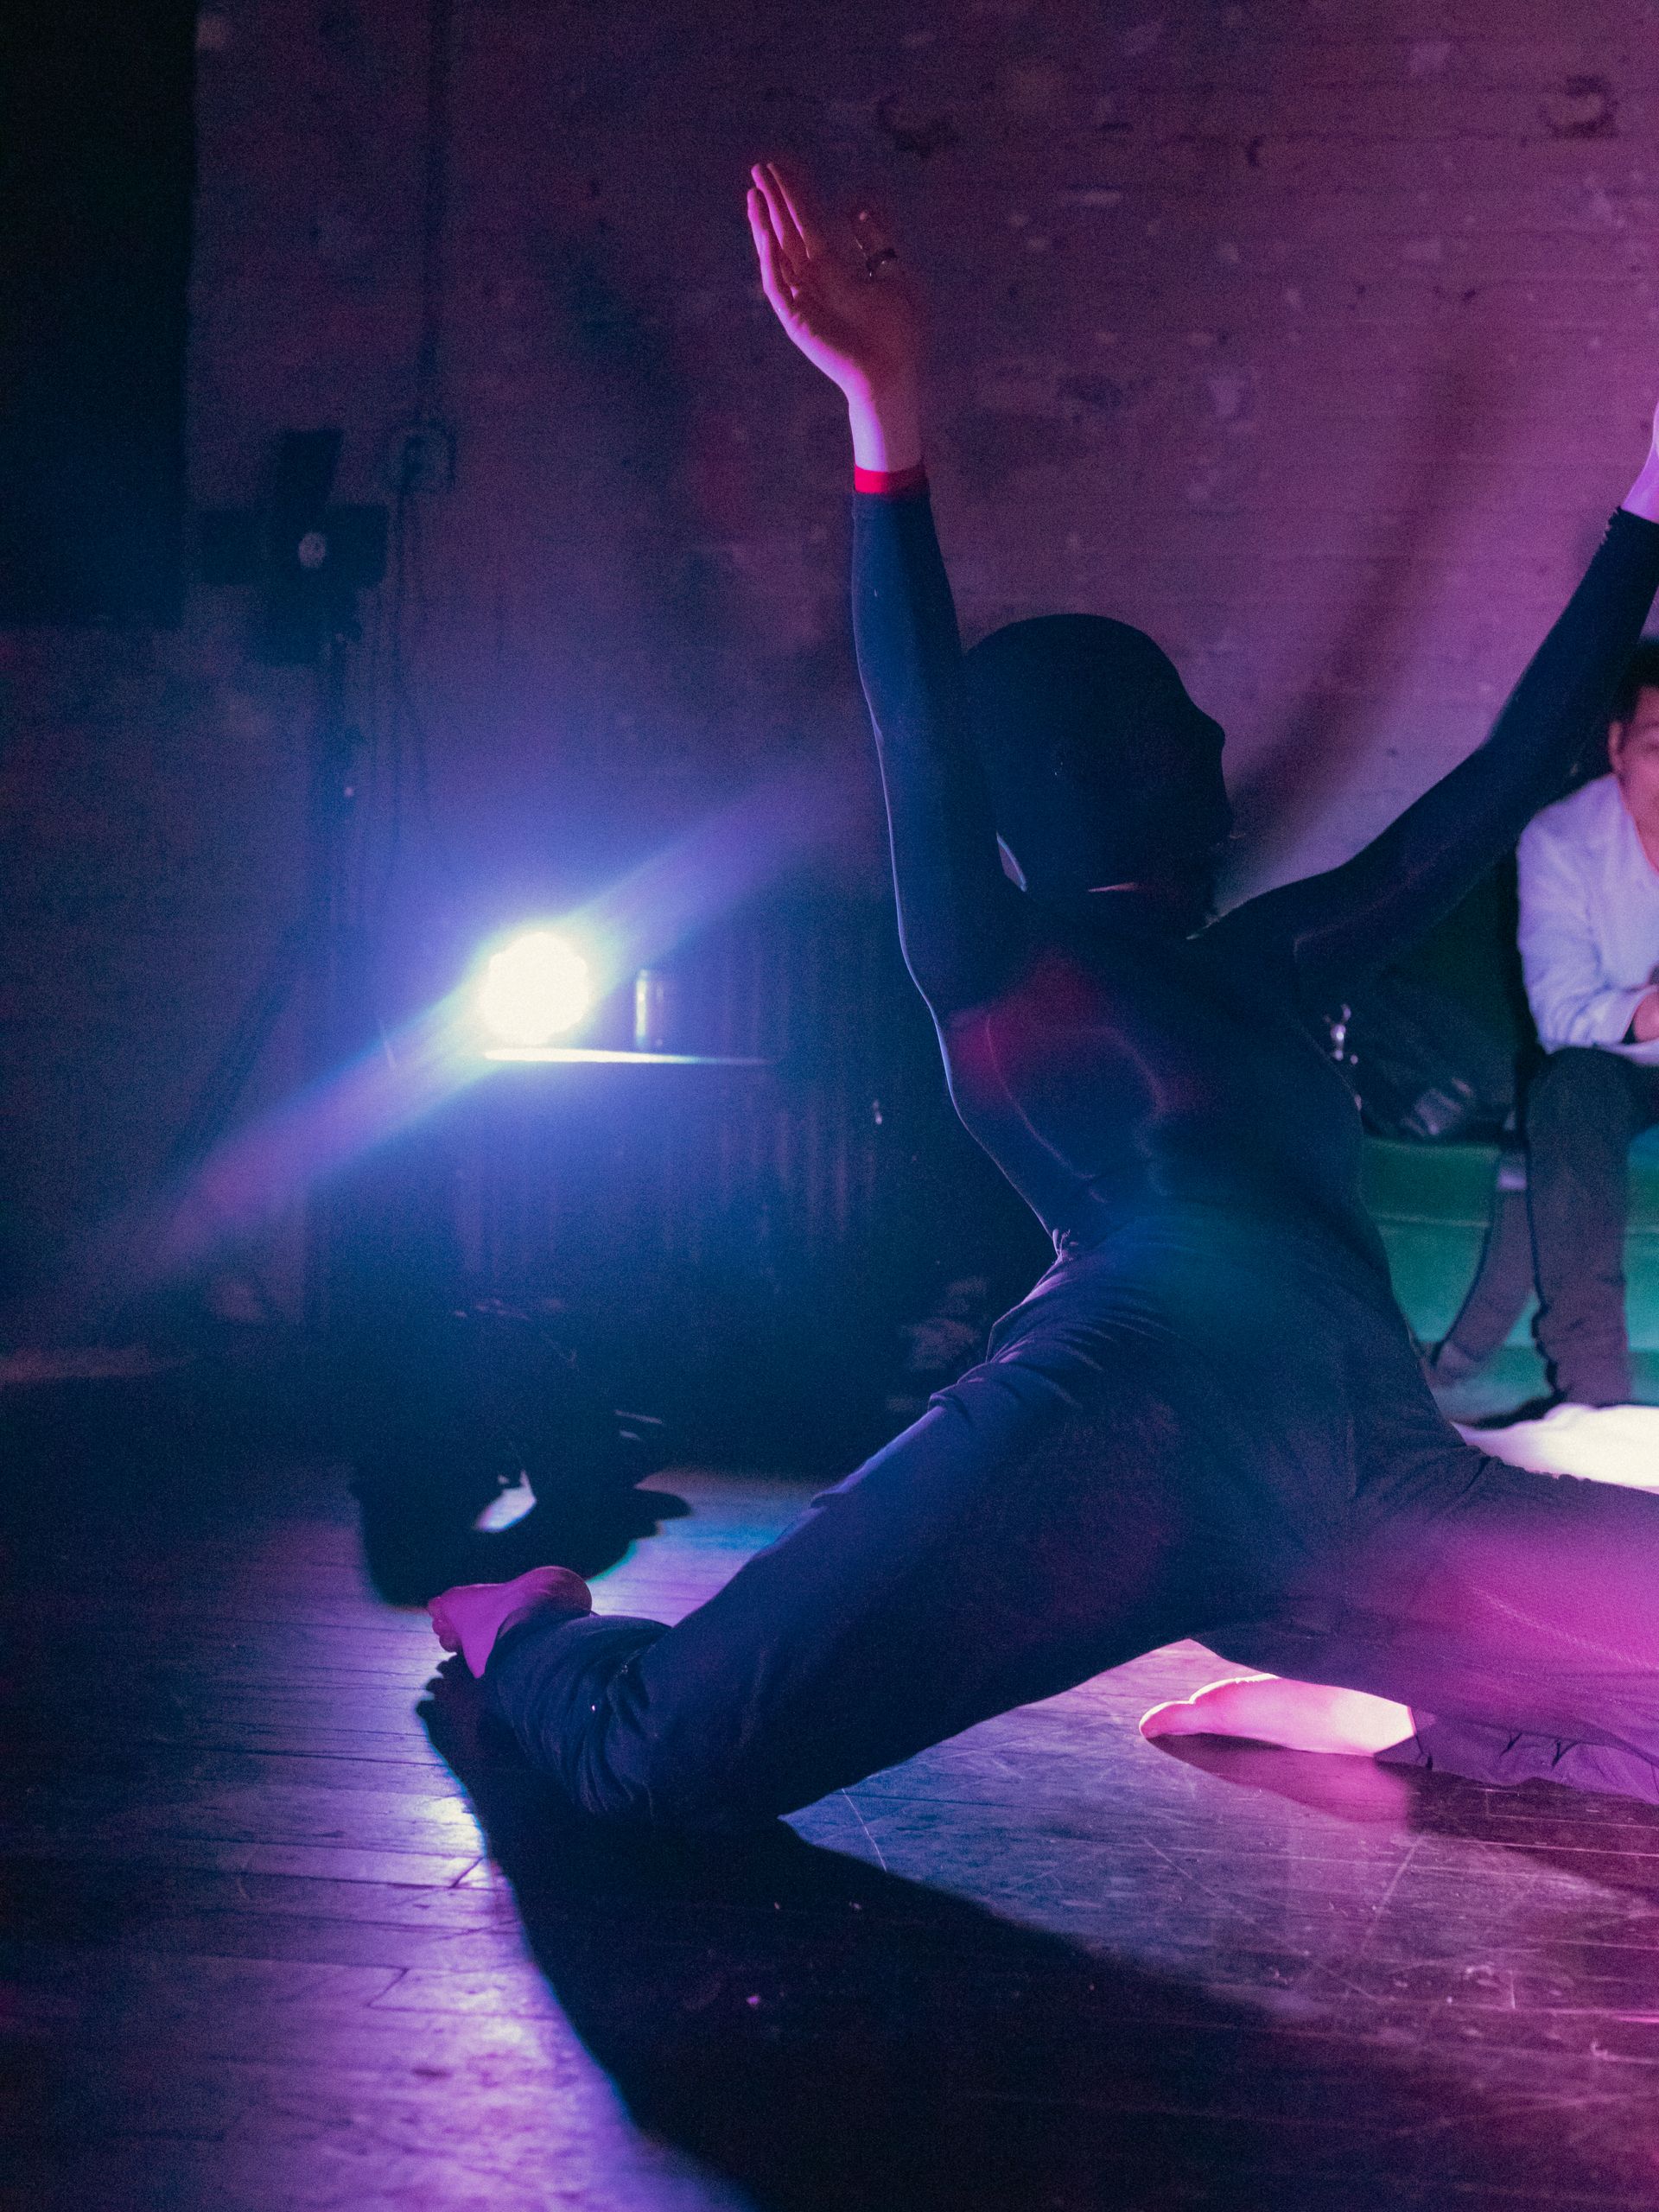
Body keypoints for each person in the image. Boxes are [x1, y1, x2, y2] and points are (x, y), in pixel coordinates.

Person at [431, 162, 1659, 1820]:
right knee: (644, 1760)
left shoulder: (1279, 959)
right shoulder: (995, 965)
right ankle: (517, 1627)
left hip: (1373, 1479)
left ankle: (1365, 1703)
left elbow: (1512, 763)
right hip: (1112, 1445)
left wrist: (1654, 497)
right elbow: (915, 723)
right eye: (1165, 721)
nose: (1217, 743)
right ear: (1066, 782)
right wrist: (884, 408)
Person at [1511, 645, 1659, 1408]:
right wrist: (1648, 1011)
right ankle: (1594, 1402)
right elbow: (1560, 1017)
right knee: (1569, 1089)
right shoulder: (1560, 842)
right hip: (1614, 1064)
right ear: (1616, 747)